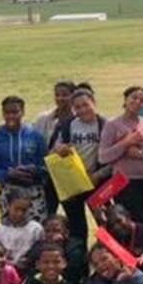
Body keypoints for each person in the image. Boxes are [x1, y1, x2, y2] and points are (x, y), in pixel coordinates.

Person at [98, 86, 143, 224]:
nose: (137, 102)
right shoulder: (112, 125)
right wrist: (125, 144)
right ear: (125, 99)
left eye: (142, 100)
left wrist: (142, 154)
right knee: (129, 223)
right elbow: (103, 157)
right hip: (124, 183)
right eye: (134, 98)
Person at [50, 87, 108, 242]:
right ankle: (79, 255)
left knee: (105, 223)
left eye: (86, 105)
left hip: (96, 180)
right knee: (77, 227)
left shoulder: (105, 124)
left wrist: (99, 175)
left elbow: (114, 157)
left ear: (94, 103)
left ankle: (107, 254)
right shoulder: (67, 125)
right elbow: (53, 149)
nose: (82, 110)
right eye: (77, 107)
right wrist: (59, 149)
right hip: (72, 182)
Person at [0, 95, 49, 225]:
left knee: (36, 229)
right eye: (7, 112)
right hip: (8, 191)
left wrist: (33, 170)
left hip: (33, 190)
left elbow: (45, 165)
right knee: (10, 230)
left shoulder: (35, 136)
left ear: (23, 112)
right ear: (3, 113)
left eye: (15, 112)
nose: (11, 116)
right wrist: (8, 173)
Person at [35, 80, 77, 220]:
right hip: (47, 174)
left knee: (75, 216)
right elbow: (36, 145)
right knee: (46, 215)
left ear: (73, 96)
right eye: (57, 95)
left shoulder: (79, 120)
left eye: (65, 95)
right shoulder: (44, 119)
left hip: (68, 175)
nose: (60, 98)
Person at [0, 190, 46, 273]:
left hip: (28, 270)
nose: (19, 213)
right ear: (8, 206)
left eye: (24, 210)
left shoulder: (36, 229)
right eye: (16, 209)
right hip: (4, 271)